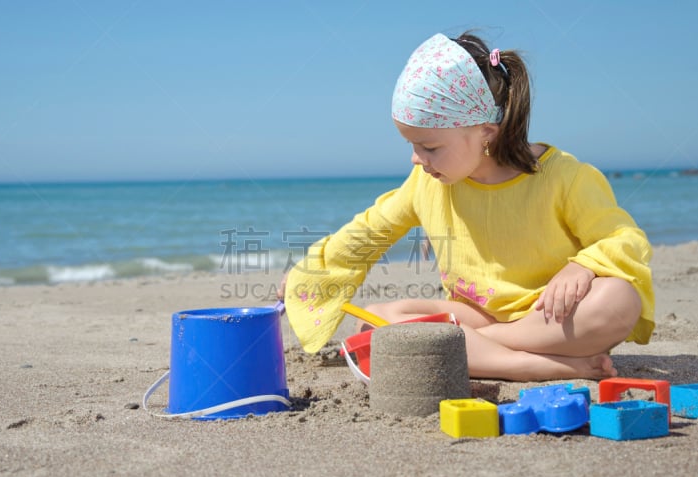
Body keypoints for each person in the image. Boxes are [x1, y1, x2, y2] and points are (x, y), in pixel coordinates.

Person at [280, 31, 654, 382]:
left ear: (485, 133)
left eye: (429, 147)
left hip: (552, 320)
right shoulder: (426, 183)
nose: (416, 159)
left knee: (619, 298)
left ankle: (481, 352)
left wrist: (584, 266)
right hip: (473, 316)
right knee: (374, 321)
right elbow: (365, 234)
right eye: (411, 145)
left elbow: (624, 239)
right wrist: (309, 273)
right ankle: (527, 364)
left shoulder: (564, 177)